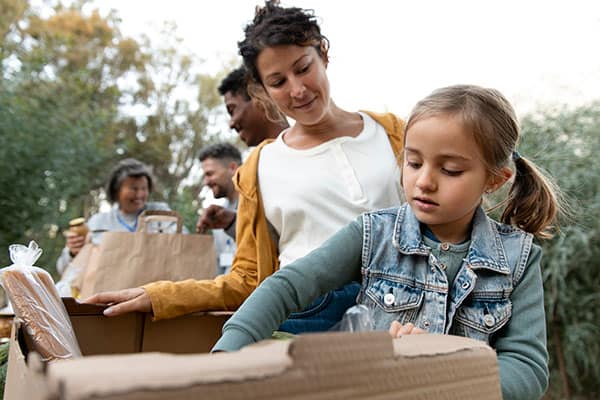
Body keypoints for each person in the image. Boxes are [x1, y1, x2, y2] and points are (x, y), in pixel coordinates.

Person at [212, 85, 563, 400]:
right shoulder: (373, 234)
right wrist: (228, 356)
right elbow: (287, 287)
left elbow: (527, 369)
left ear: (494, 180)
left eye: (451, 170)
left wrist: (445, 363)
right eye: (413, 162)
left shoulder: (519, 259)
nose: (423, 181)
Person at [84, 1, 405, 334]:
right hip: (306, 314)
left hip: (405, 309)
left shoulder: (396, 134)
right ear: (262, 89)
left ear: (323, 54)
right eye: (278, 81)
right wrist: (162, 295)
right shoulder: (259, 167)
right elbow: (248, 279)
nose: (297, 89)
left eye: (303, 67)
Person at [196, 66, 288, 235]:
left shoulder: (302, 153)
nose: (231, 124)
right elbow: (275, 239)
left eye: (232, 110)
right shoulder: (257, 168)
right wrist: (232, 222)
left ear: (259, 97)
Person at [56, 158, 173, 274]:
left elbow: (182, 245)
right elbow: (63, 269)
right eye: (134, 188)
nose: (140, 194)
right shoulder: (98, 223)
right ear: (117, 190)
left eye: (144, 188)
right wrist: (72, 252)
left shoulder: (161, 214)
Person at [196, 143, 242, 275]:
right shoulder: (217, 214)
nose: (206, 181)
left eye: (210, 174)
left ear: (232, 168)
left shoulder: (258, 204)